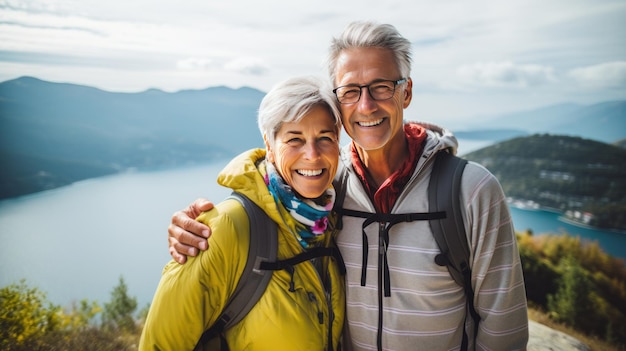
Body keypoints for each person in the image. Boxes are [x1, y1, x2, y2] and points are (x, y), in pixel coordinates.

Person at [167, 21, 529, 350]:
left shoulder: (471, 191)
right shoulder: (324, 189)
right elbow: (267, 199)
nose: (366, 105)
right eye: (351, 91)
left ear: (406, 93)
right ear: (338, 103)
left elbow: (503, 330)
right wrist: (200, 226)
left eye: (381, 87)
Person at [139, 76, 346, 350]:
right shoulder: (226, 228)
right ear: (269, 146)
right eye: (294, 139)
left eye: (325, 138)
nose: (312, 154)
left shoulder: (330, 219)